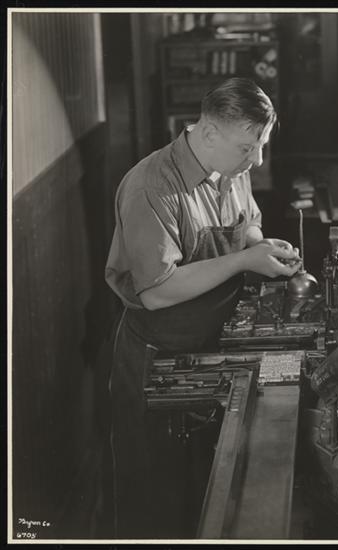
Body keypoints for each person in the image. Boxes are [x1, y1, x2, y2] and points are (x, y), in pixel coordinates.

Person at [99, 77, 300, 538]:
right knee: (155, 504)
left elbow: (247, 224)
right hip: (157, 355)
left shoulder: (231, 166)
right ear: (208, 132)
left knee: (205, 492)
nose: (257, 160)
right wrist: (245, 261)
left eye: (262, 146)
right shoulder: (151, 186)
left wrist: (261, 246)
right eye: (248, 148)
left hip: (212, 345)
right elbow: (157, 291)